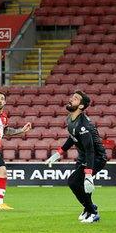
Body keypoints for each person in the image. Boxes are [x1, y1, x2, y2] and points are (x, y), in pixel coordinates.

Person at [45, 90, 107, 223]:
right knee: (79, 184)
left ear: (81, 106)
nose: (71, 99)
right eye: (72, 97)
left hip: (96, 158)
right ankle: (89, 208)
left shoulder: (84, 126)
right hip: (83, 156)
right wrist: (58, 153)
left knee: (74, 181)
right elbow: (72, 138)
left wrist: (89, 175)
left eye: (76, 98)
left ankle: (93, 212)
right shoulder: (70, 118)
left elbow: (91, 150)